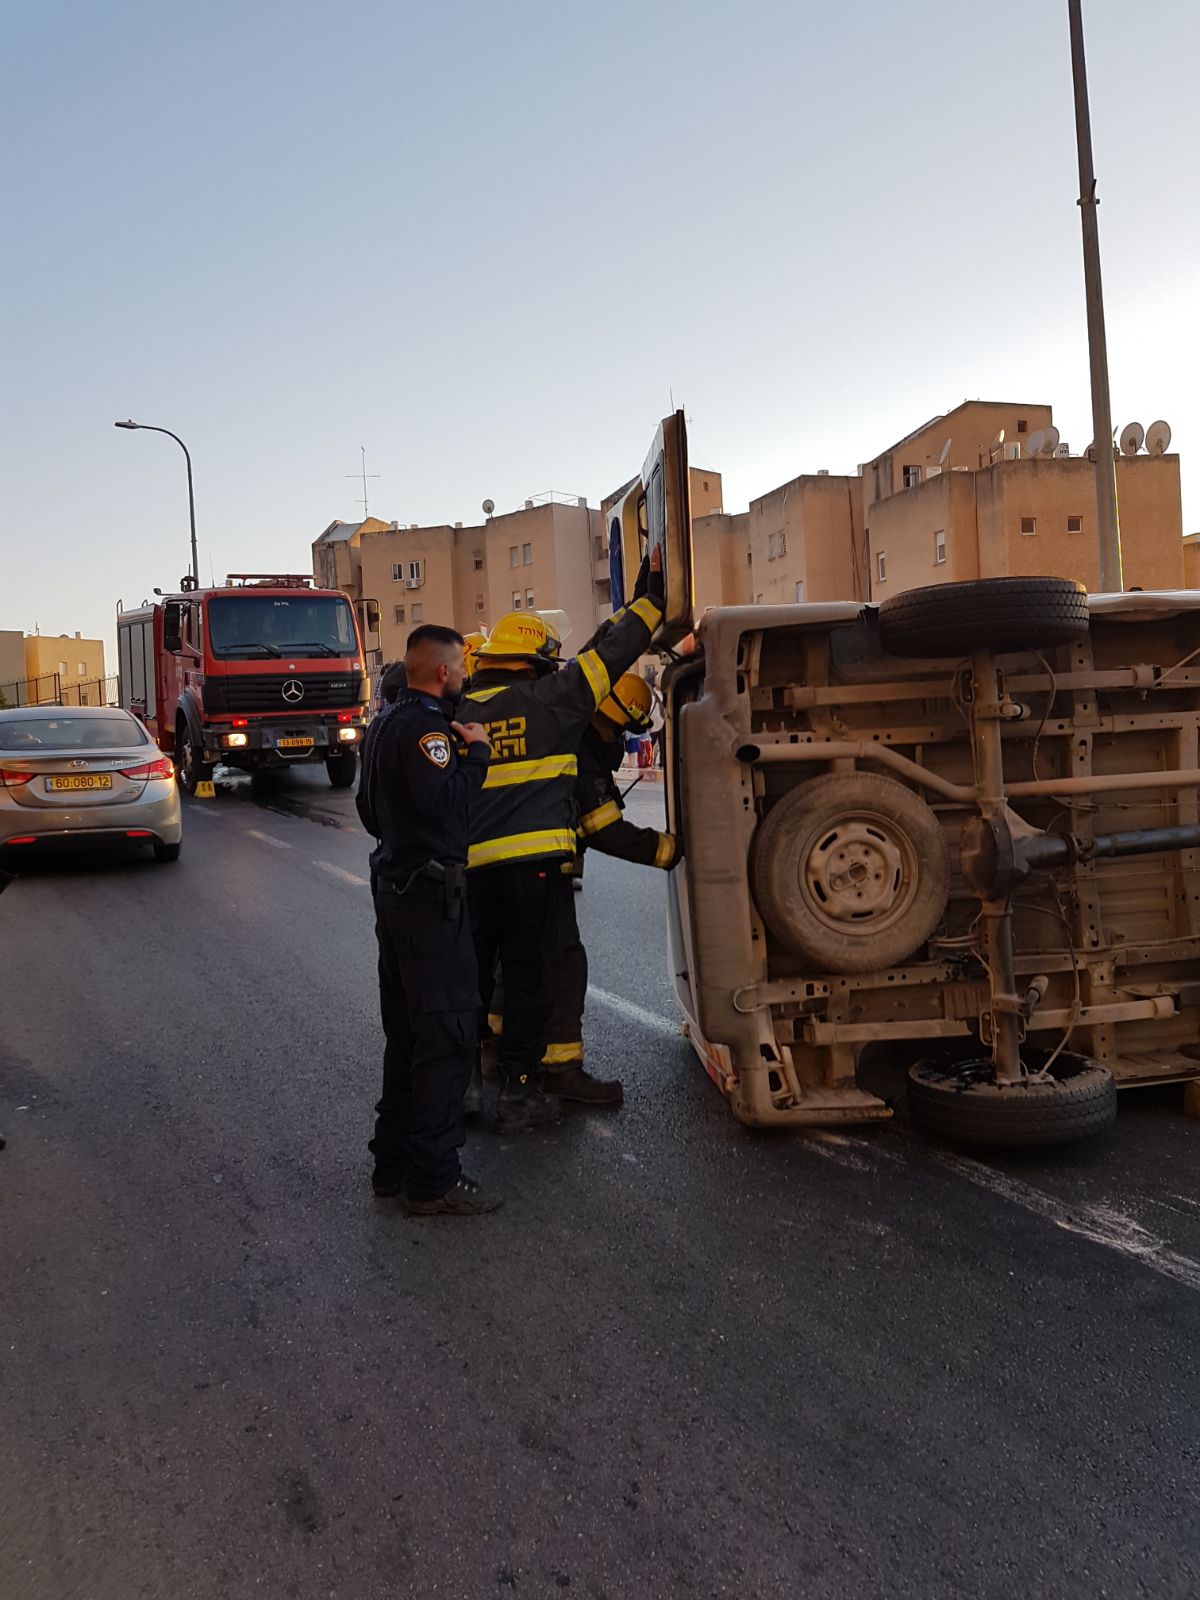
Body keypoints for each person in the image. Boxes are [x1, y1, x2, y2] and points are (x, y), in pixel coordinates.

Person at [463, 552, 666, 1133]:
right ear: (533, 665)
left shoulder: (458, 709)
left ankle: (475, 1082)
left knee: (478, 974)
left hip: (473, 871)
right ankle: (524, 1088)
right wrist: (648, 604)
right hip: (533, 871)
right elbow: (608, 657)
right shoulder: (552, 701)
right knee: (532, 975)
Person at [356, 623, 499, 1216]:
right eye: (462, 668)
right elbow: (447, 804)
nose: (464, 678)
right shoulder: (429, 731)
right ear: (443, 672)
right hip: (429, 901)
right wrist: (478, 754)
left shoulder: (384, 722)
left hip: (395, 894)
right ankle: (433, 1179)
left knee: (408, 1035)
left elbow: (368, 810)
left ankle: (391, 1164)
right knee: (445, 1037)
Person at [489, 671, 681, 1104]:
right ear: (610, 717)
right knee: (563, 963)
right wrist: (670, 851)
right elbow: (604, 829)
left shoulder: (563, 732)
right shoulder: (582, 747)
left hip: (509, 866)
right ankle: (562, 1068)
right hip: (542, 869)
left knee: (515, 960)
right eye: (622, 728)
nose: (622, 739)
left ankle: (493, 1049)